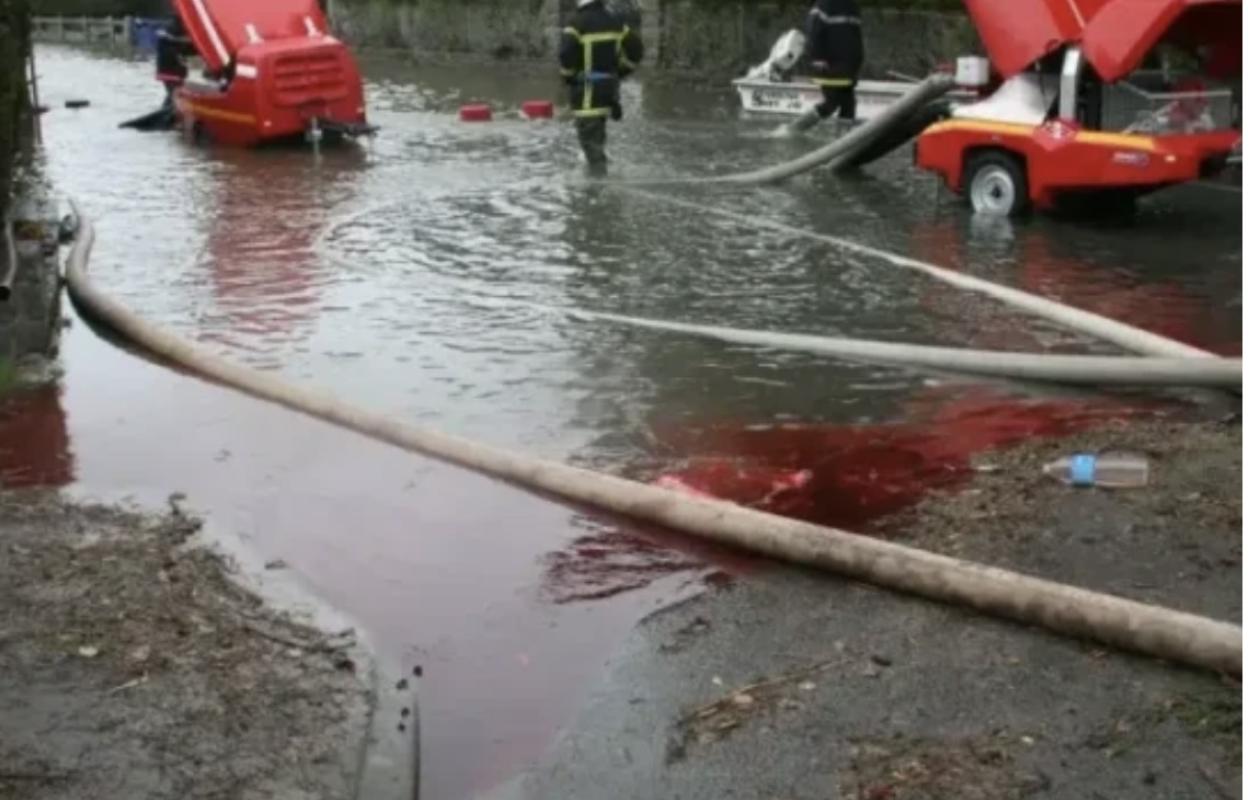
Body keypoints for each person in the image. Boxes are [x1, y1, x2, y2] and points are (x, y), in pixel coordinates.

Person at [559, 0, 645, 174]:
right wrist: (622, 71)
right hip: (609, 92)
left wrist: (568, 77)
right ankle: (600, 174)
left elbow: (566, 55)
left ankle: (599, 187)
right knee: (597, 136)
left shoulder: (575, 24)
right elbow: (636, 49)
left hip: (587, 93)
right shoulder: (615, 22)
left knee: (590, 144)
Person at [785, 0, 865, 135]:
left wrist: (858, 59)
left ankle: (844, 139)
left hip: (848, 66)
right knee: (831, 103)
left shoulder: (852, 6)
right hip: (829, 65)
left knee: (849, 104)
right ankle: (792, 130)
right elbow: (813, 34)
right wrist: (817, 58)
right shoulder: (824, 5)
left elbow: (855, 37)